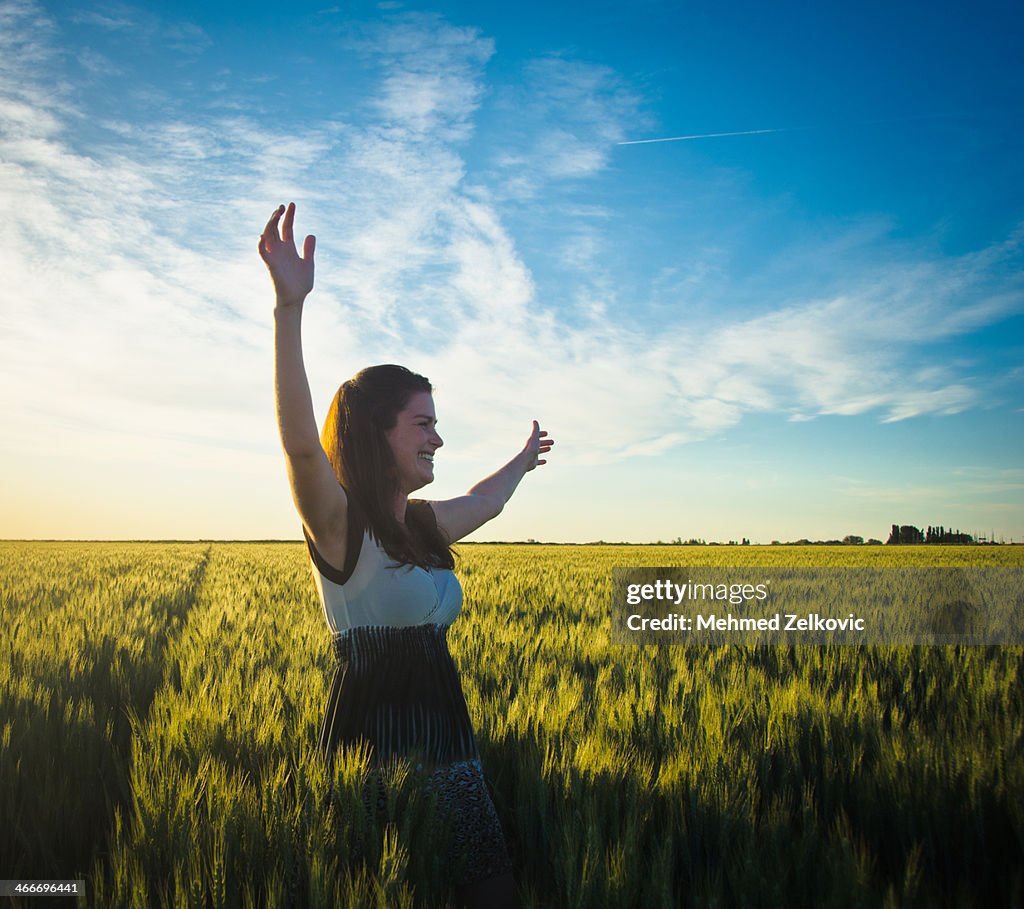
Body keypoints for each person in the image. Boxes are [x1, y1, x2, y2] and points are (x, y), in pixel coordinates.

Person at [259, 202, 553, 909]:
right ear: (375, 432)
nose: (437, 440)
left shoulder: (420, 525)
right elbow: (302, 445)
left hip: (451, 746)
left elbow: (484, 502)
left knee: (493, 893)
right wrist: (288, 310)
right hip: (374, 756)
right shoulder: (340, 528)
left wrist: (520, 462)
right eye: (423, 424)